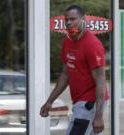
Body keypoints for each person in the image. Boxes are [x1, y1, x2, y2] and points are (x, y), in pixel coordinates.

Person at [40, 4, 109, 135]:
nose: (69, 23)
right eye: (66, 19)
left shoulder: (92, 45)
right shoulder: (68, 42)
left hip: (90, 103)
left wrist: (99, 116)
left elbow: (101, 81)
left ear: (83, 19)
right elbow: (66, 74)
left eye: (73, 19)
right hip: (79, 102)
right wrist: (50, 101)